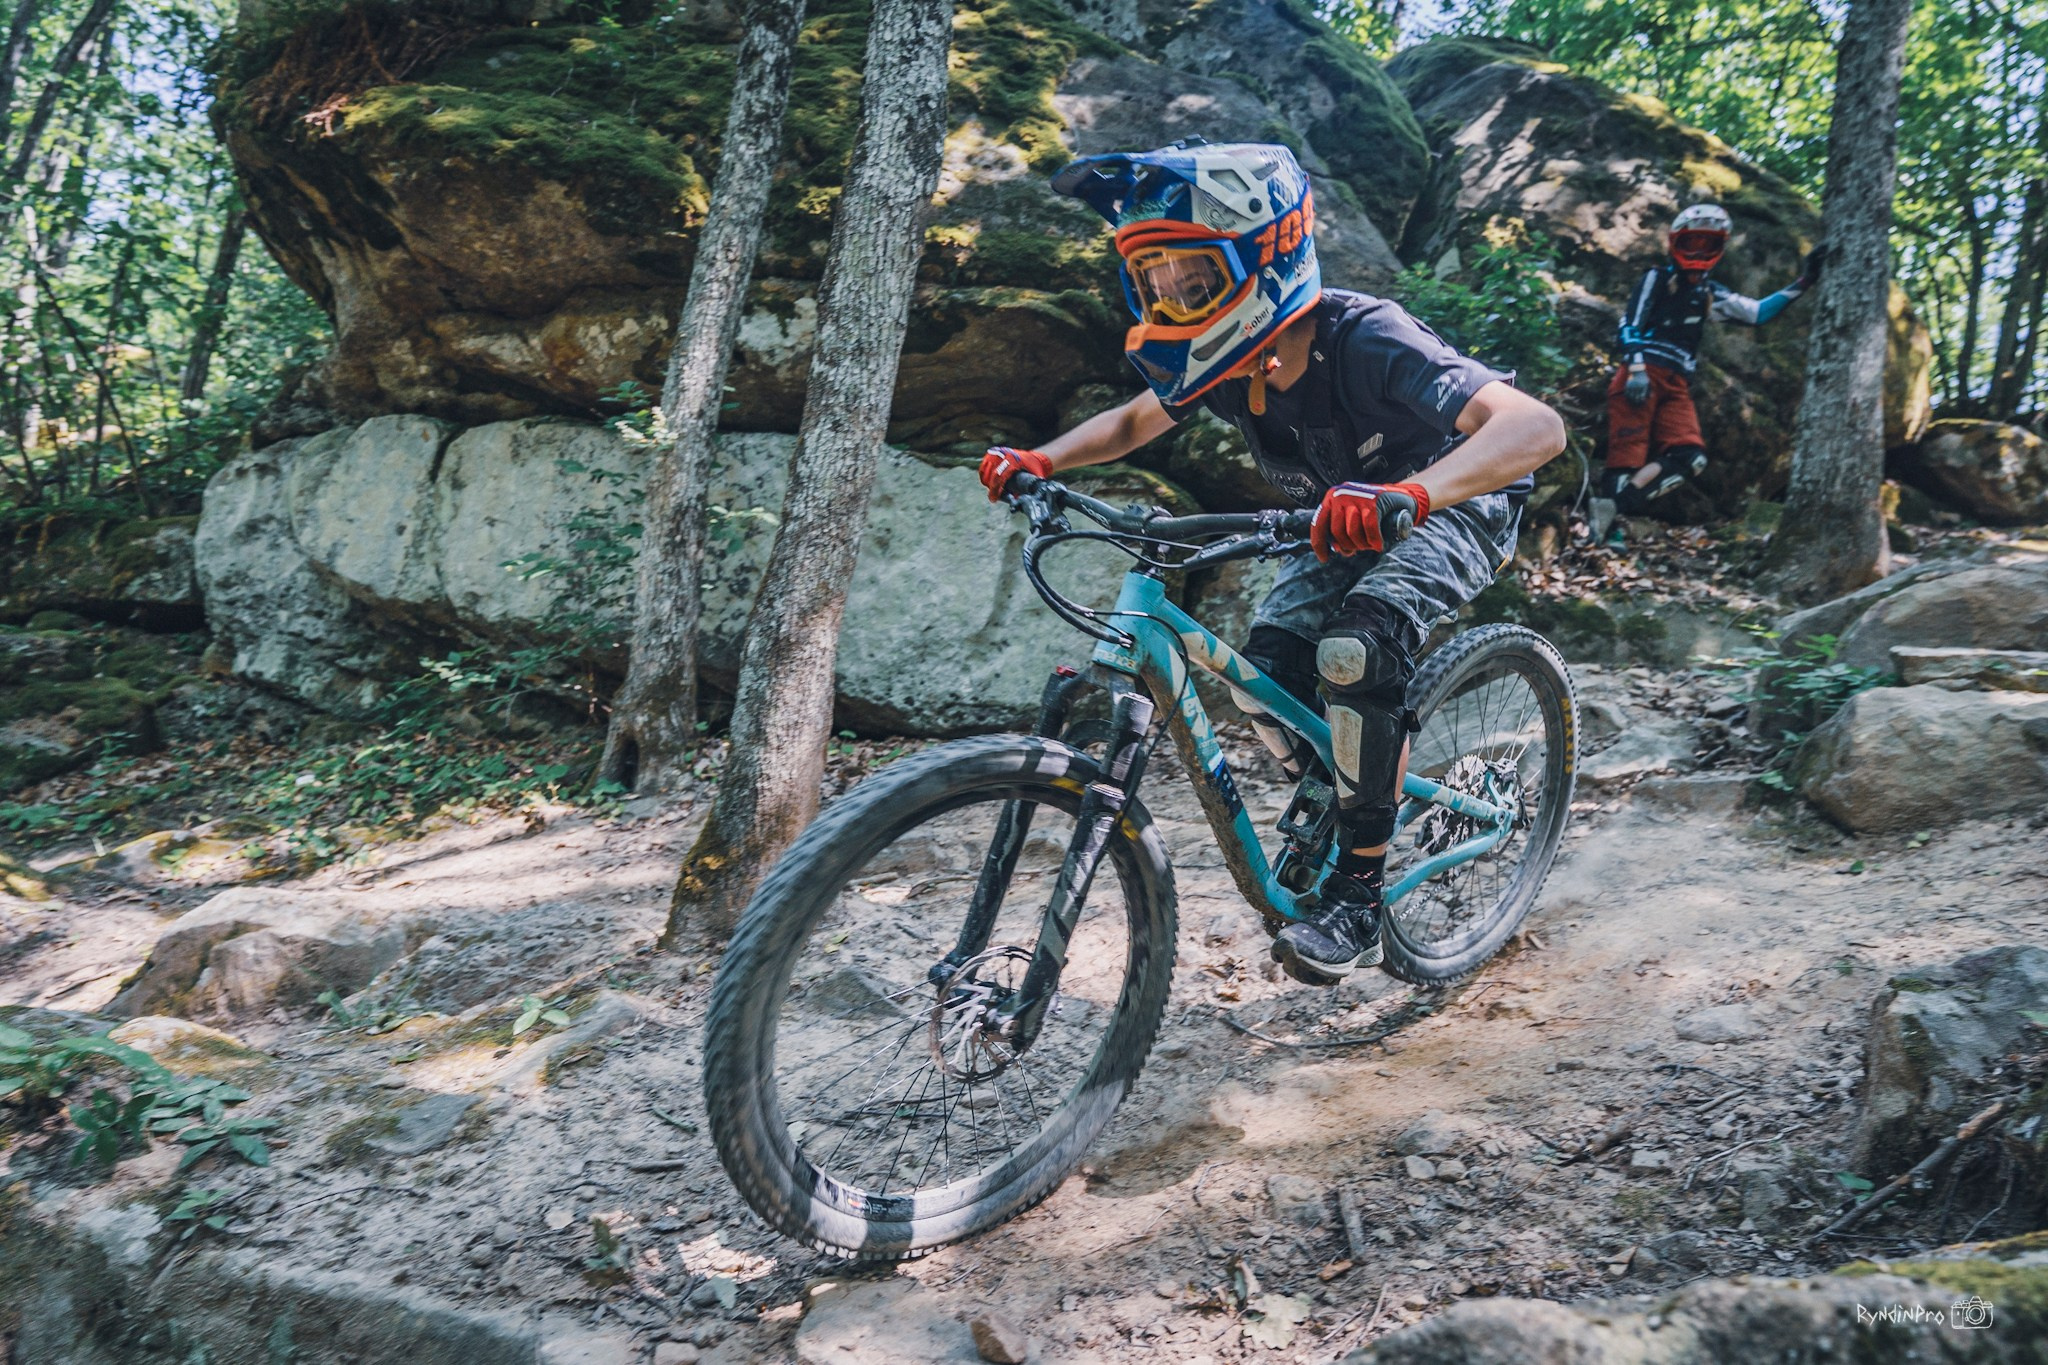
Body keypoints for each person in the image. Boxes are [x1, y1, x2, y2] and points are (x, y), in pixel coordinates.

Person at [977, 140, 1565, 987]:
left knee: (1356, 652)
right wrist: (1041, 459)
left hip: (1452, 499)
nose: (1173, 301)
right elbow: (1132, 423)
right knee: (1266, 671)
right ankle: (1360, 787)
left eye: (1196, 281)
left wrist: (1414, 495)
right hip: (1340, 515)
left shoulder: (1366, 338)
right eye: (1157, 283)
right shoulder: (1224, 362)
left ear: (1269, 256)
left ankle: (1359, 890)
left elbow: (1534, 428)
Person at [1592, 204, 1823, 545]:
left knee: (1690, 456)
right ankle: (1609, 530)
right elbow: (1630, 324)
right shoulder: (1656, 278)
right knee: (1627, 455)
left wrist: (1805, 280)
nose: (1698, 251)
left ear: (1719, 248)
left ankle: (1612, 507)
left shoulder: (1710, 292)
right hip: (1640, 372)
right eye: (1691, 243)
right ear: (1676, 243)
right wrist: (1637, 369)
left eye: (1708, 244)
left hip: (1677, 381)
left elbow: (1757, 313)